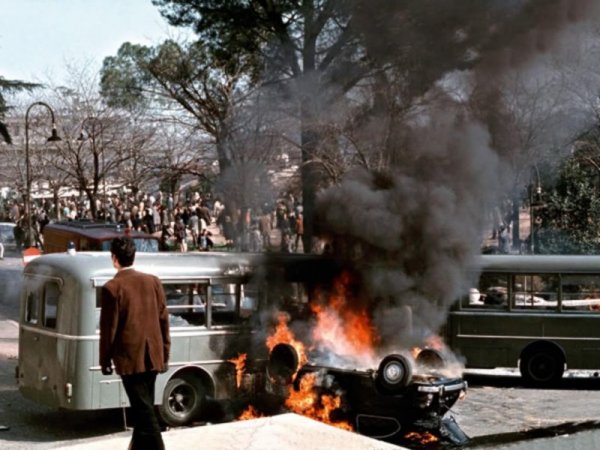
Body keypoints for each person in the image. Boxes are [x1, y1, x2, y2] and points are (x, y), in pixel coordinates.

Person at [99, 237, 170, 450]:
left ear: (114, 259)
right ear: (133, 256)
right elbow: (163, 320)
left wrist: (105, 360)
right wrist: (164, 354)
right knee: (143, 409)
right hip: (153, 356)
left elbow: (108, 329)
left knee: (145, 414)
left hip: (130, 361)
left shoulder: (112, 288)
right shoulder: (153, 281)